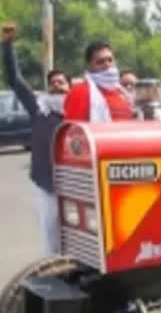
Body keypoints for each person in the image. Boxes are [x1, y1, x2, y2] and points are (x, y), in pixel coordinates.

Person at [2, 23, 71, 255]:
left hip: (77, 188)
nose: (56, 85)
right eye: (52, 82)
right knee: (51, 243)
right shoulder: (39, 109)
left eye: (61, 81)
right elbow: (15, 80)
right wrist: (8, 45)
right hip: (48, 187)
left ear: (70, 87)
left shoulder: (79, 111)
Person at [64, 41, 133, 122]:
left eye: (110, 60)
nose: (107, 65)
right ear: (89, 66)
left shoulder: (122, 92)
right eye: (100, 62)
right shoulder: (80, 91)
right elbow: (74, 129)